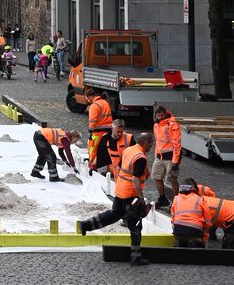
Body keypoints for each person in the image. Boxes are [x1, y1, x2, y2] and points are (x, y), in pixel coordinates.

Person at [78, 132, 155, 266]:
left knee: (115, 214)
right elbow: (136, 179)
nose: (151, 148)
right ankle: (135, 257)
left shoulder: (129, 150)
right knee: (135, 225)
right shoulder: (140, 157)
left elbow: (119, 167)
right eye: (151, 144)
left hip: (120, 190)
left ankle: (86, 225)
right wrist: (141, 198)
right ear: (146, 142)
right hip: (131, 194)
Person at [189, 178, 234, 249]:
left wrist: (202, 244)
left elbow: (204, 228)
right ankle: (231, 239)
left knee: (228, 248)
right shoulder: (200, 199)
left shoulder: (198, 209)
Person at [152, 105, 182, 209]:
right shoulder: (156, 125)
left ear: (165, 114)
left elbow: (177, 144)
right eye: (158, 115)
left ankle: (176, 202)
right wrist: (156, 154)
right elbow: (158, 142)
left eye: (161, 115)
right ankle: (162, 199)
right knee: (156, 177)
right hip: (160, 157)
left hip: (170, 158)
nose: (159, 117)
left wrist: (175, 161)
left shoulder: (172, 125)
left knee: (173, 179)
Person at [170, 182, 209, 248]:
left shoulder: (176, 199)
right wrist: (204, 234)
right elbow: (208, 220)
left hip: (178, 230)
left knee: (181, 242)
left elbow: (173, 218)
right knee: (199, 245)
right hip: (195, 230)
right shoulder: (200, 199)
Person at [86, 88, 114, 174]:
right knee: (108, 150)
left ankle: (92, 167)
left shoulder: (94, 106)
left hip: (98, 132)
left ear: (90, 97)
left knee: (92, 149)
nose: (87, 100)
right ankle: (110, 170)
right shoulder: (105, 102)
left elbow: (93, 121)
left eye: (86, 98)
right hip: (109, 131)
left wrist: (90, 131)